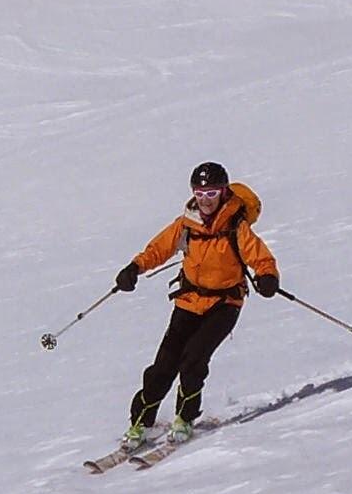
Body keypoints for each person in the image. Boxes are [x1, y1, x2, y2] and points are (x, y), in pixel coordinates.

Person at [114, 162, 279, 447]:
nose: (205, 200)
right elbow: (159, 249)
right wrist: (134, 268)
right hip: (189, 301)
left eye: (212, 193)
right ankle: (140, 423)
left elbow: (261, 258)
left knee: (193, 360)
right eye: (200, 193)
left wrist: (267, 277)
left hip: (225, 303)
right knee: (164, 365)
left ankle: (184, 419)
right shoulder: (186, 224)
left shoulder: (236, 226)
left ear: (223, 192)